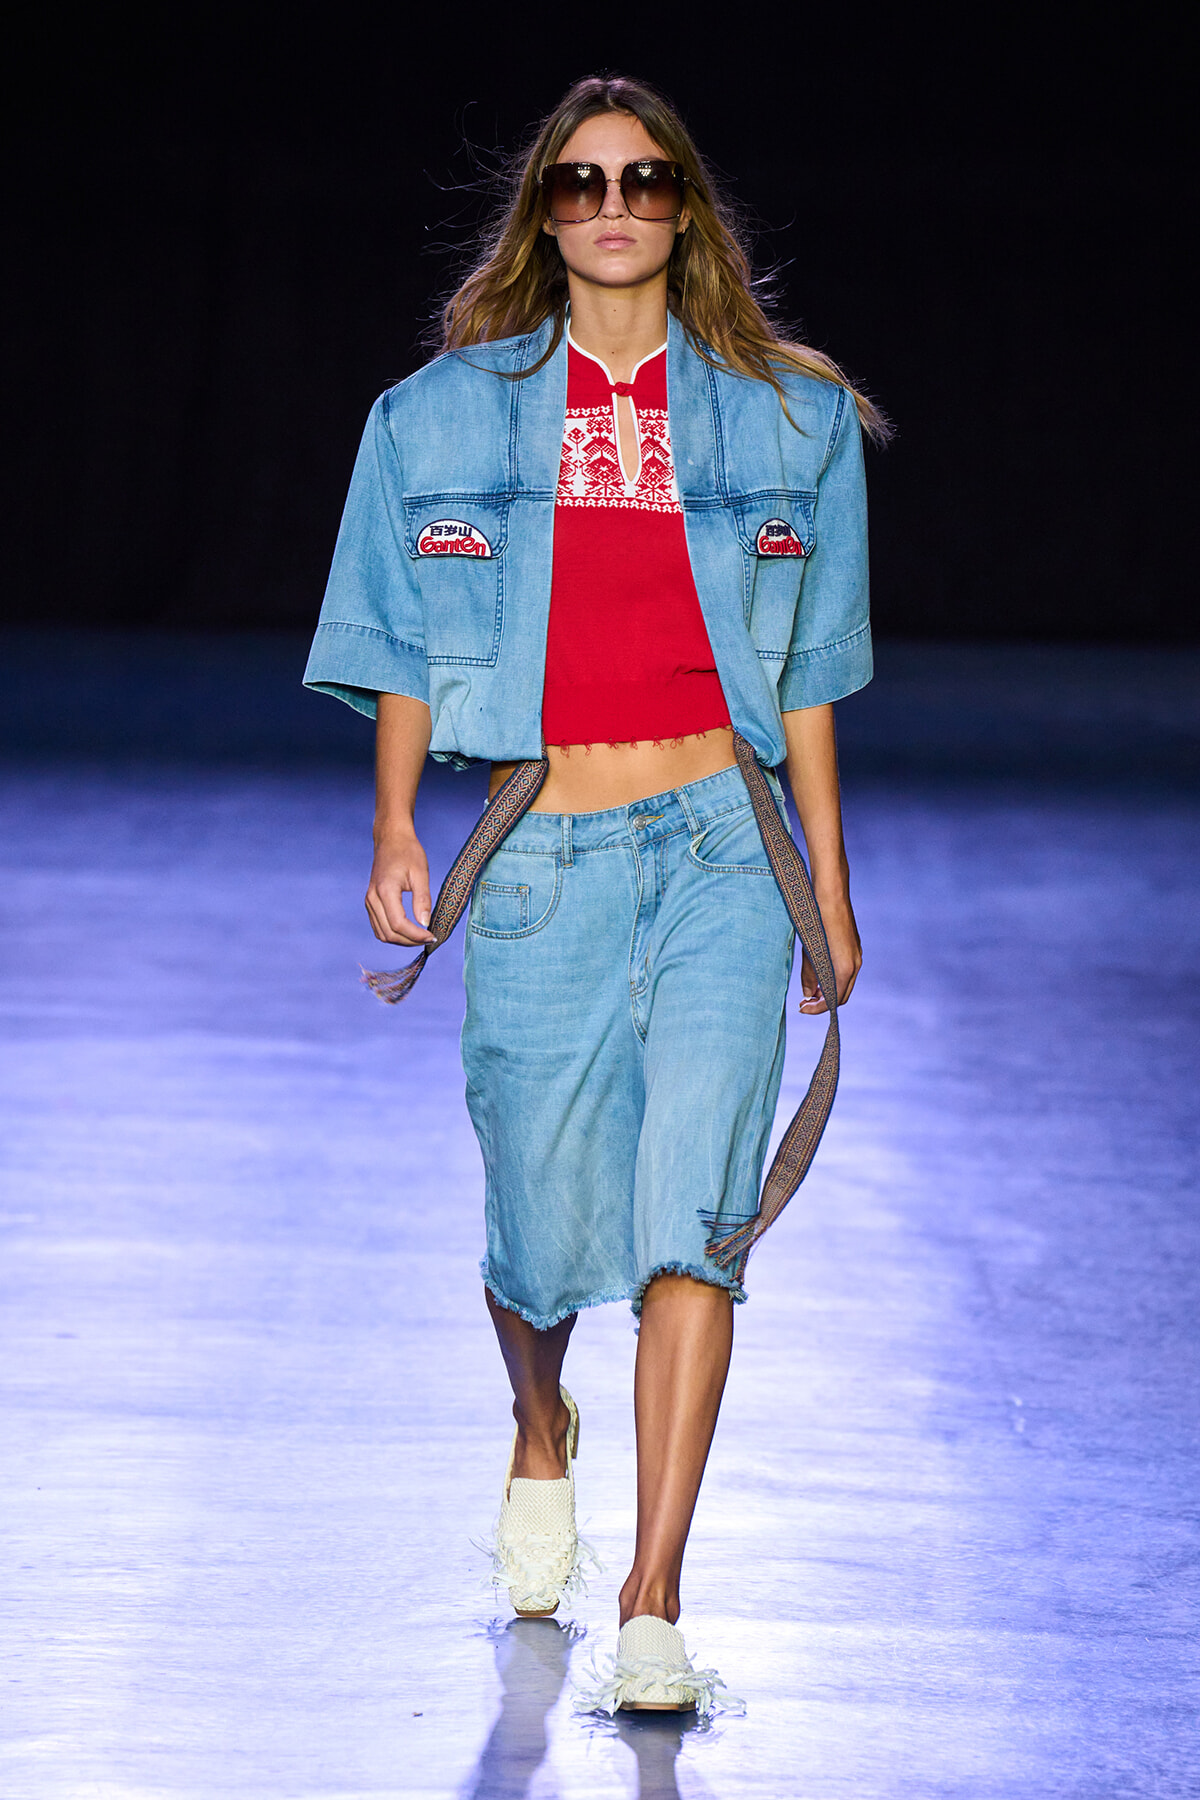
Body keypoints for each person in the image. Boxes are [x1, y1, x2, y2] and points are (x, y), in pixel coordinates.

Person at [304, 74, 885, 1715]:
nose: (610, 203)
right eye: (577, 181)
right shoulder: (436, 421)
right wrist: (396, 826)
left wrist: (828, 889)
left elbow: (817, 672)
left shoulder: (790, 419)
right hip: (544, 848)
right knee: (538, 1230)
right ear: (543, 212)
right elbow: (407, 635)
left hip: (722, 843)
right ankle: (540, 1421)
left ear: (684, 204)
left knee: (697, 1217)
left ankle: (655, 1595)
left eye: (640, 178)